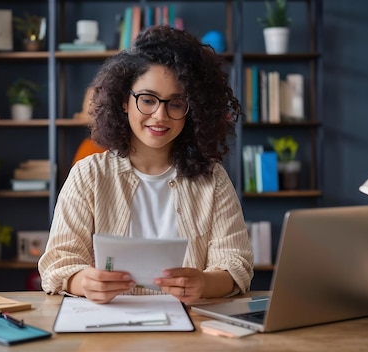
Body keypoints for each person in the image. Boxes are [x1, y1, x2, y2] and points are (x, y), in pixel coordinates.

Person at [38, 25, 253, 304]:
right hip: (107, 331)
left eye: (176, 104)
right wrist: (83, 281)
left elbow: (237, 265)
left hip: (191, 332)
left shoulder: (213, 178)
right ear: (125, 102)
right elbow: (57, 263)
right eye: (148, 100)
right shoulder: (87, 175)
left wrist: (204, 282)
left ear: (192, 111)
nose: (160, 116)